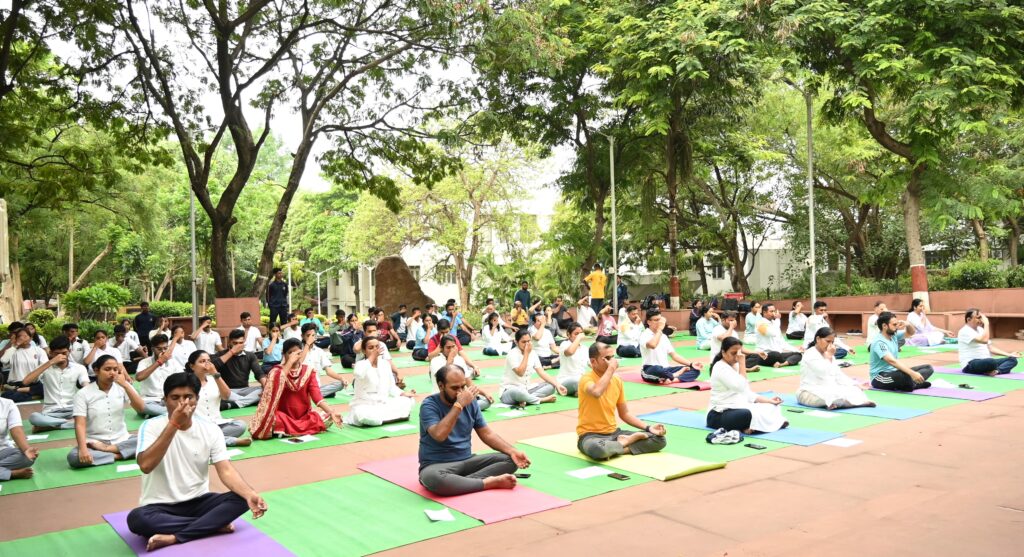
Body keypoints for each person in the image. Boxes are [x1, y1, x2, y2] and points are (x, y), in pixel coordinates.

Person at [127, 372, 266, 552]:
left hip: (200, 502)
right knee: (137, 519)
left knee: (242, 498)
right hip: (159, 507)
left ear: (197, 399)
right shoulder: (150, 426)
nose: (182, 403)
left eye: (188, 397)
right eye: (175, 397)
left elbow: (226, 471)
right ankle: (211, 525)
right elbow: (146, 465)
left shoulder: (210, 429)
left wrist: (250, 494)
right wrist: (174, 425)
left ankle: (176, 536)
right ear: (165, 400)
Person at [418, 364, 530, 496]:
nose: (460, 392)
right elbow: (439, 435)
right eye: (455, 388)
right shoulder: (429, 405)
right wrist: (458, 405)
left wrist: (513, 451)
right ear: (441, 386)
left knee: (510, 460)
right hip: (437, 465)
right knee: (434, 478)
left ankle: (463, 483)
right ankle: (487, 483)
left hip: (467, 461)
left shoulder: (471, 403)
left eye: (463, 386)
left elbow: (487, 434)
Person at [577, 342, 668, 459]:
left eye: (613, 357)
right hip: (590, 436)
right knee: (597, 449)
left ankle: (619, 448)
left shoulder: (617, 380)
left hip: (615, 433)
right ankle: (625, 443)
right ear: (593, 362)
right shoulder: (586, 379)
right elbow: (596, 392)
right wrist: (611, 369)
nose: (612, 362)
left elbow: (624, 414)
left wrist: (649, 428)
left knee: (659, 440)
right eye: (607, 358)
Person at [250, 339, 343, 438]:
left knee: (327, 417)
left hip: (304, 417)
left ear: (301, 353)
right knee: (269, 421)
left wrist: (331, 412)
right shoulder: (276, 371)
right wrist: (289, 362)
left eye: (297, 353)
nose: (293, 356)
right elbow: (274, 386)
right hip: (282, 416)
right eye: (290, 353)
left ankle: (286, 430)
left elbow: (317, 397)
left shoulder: (308, 371)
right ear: (283, 354)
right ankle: (293, 429)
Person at [68, 355, 147, 468]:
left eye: (115, 369)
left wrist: (125, 385)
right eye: (107, 369)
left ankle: (110, 451)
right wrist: (83, 449)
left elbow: (141, 408)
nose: (112, 373)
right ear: (96, 371)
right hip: (95, 442)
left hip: (122, 439)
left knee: (151, 439)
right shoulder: (83, 394)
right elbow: (80, 424)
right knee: (73, 457)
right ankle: (119, 455)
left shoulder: (122, 387)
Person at [706, 337, 788, 434]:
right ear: (723, 353)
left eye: (739, 353)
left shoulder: (735, 365)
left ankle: (749, 426)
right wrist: (742, 363)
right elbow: (740, 387)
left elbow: (747, 393)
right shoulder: (720, 368)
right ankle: (751, 426)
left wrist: (769, 401)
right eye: (733, 353)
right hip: (719, 414)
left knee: (771, 406)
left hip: (739, 406)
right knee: (747, 414)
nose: (737, 356)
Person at [797, 327, 875, 409]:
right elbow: (822, 372)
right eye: (827, 341)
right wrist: (829, 356)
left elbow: (838, 375)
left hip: (829, 389)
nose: (830, 345)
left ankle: (852, 402)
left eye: (832, 342)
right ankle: (850, 403)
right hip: (809, 391)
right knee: (832, 397)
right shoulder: (810, 354)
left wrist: (856, 384)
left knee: (854, 390)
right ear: (818, 339)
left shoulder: (829, 355)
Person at [185, 351, 251, 446]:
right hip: (197, 426)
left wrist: (215, 373)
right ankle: (230, 441)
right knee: (192, 434)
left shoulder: (214, 379)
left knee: (241, 425)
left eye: (208, 361)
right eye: (202, 361)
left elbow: (226, 396)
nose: (206, 364)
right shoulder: (186, 383)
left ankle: (208, 440)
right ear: (192, 366)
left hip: (216, 423)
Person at [345, 336, 415, 426]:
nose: (375, 350)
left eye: (377, 347)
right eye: (371, 348)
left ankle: (383, 419)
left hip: (383, 404)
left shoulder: (385, 364)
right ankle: (392, 417)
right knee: (361, 414)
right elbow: (359, 373)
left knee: (408, 400)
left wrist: (402, 393)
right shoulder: (361, 364)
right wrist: (372, 357)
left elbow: (391, 387)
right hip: (365, 405)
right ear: (363, 351)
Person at [25, 336, 90, 431]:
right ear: (51, 353)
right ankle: (69, 423)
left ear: (69, 351)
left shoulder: (79, 368)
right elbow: (26, 381)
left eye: (64, 353)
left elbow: (85, 385)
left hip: (72, 409)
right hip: (51, 411)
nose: (61, 357)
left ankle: (51, 425)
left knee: (97, 413)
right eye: (57, 354)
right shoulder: (45, 367)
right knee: (34, 417)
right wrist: (51, 362)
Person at [869, 312, 934, 391]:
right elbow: (891, 361)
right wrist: (912, 373)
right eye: (894, 324)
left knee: (928, 368)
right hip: (880, 377)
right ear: (884, 326)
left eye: (896, 324)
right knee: (903, 376)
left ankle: (910, 383)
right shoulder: (879, 342)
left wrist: (908, 324)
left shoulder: (893, 335)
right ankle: (914, 384)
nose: (896, 327)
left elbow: (911, 333)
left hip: (895, 372)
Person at [499, 329, 566, 406]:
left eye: (529, 341)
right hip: (510, 390)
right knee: (518, 392)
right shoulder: (512, 354)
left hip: (527, 389)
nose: (527, 344)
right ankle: (540, 400)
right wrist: (526, 353)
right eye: (524, 342)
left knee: (551, 386)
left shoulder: (533, 353)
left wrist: (557, 385)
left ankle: (526, 400)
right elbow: (520, 373)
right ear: (516, 342)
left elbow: (541, 372)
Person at [429, 335, 492, 410]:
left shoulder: (460, 360)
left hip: (460, 397)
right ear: (442, 349)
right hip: (443, 398)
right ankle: (463, 409)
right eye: (448, 348)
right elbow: (444, 378)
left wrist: (485, 394)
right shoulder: (435, 361)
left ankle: (465, 408)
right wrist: (450, 359)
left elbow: (469, 383)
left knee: (486, 401)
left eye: (453, 346)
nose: (452, 350)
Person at [639, 311, 702, 384]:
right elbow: (653, 345)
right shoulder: (645, 335)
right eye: (656, 320)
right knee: (658, 370)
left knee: (694, 370)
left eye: (660, 320)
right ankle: (674, 375)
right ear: (649, 322)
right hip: (650, 368)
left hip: (666, 369)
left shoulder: (664, 336)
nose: (659, 322)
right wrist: (659, 330)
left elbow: (674, 355)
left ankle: (673, 379)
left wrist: (691, 364)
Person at [958, 309, 1021, 376]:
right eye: (978, 317)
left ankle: (996, 371)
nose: (981, 320)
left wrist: (1009, 354)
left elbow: (990, 348)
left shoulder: (981, 330)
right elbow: (984, 341)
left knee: (1012, 360)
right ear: (968, 319)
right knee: (991, 362)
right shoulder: (964, 331)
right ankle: (993, 368)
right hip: (970, 364)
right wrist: (986, 324)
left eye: (981, 317)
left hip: (986, 362)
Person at [213, 330, 266, 409]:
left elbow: (259, 373)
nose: (238, 346)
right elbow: (213, 366)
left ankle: (232, 404)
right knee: (215, 393)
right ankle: (250, 401)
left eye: (240, 343)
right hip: (227, 391)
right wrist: (232, 352)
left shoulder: (250, 355)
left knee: (264, 390)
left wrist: (266, 387)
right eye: (235, 343)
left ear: (244, 342)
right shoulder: (221, 354)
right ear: (229, 342)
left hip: (245, 390)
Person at [136, 334, 185, 417]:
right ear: (152, 349)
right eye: (159, 349)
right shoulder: (144, 362)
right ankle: (172, 413)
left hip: (169, 399)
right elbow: (139, 378)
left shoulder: (174, 363)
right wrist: (159, 362)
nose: (163, 351)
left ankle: (160, 413)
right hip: (150, 399)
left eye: (165, 348)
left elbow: (182, 380)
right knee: (141, 407)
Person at [0, 327, 48, 401]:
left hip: (34, 384)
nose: (22, 338)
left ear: (31, 338)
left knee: (46, 389)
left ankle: (25, 393)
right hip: (16, 384)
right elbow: (3, 360)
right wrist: (16, 345)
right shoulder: (12, 351)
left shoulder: (38, 350)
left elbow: (45, 367)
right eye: (20, 336)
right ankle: (31, 395)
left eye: (25, 336)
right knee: (6, 396)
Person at [300, 324, 346, 398]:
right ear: (302, 336)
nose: (311, 338)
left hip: (316, 387)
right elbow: (299, 363)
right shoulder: (298, 350)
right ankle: (318, 394)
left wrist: (342, 378)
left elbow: (328, 371)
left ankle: (316, 394)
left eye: (313, 335)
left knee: (340, 384)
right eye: (308, 336)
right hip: (301, 387)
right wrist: (307, 344)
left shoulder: (319, 351)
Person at [0, 395, 38, 481]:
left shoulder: (8, 404)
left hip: (2, 451)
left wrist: (26, 450)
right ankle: (11, 474)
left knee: (26, 457)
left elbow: (16, 429)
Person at [557, 323, 589, 396]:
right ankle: (581, 391)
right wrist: (578, 338)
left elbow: (590, 363)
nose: (579, 336)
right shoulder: (564, 344)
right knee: (577, 381)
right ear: (568, 334)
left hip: (582, 378)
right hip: (566, 380)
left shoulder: (584, 348)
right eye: (576, 334)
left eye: (580, 333)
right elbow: (570, 352)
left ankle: (579, 392)